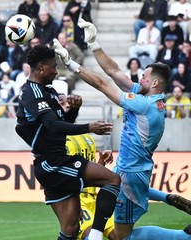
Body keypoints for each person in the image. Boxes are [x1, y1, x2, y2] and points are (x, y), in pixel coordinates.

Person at [54, 19, 191, 240]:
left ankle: (184, 237)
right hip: (128, 169)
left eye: (144, 77)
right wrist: (94, 44)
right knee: (110, 198)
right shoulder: (148, 96)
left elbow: (103, 84)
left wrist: (70, 62)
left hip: (130, 173)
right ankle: (168, 203)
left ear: (154, 83)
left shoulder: (144, 104)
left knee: (122, 237)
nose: (139, 79)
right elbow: (115, 72)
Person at [15, 44, 121, 240]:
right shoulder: (32, 93)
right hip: (53, 163)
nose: (56, 71)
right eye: (53, 66)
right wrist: (89, 127)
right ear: (41, 67)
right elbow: (53, 126)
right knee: (113, 180)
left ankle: (94, 232)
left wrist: (73, 109)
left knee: (70, 228)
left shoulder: (48, 91)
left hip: (53, 162)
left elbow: (61, 125)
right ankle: (97, 234)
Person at [58, 93, 191, 240]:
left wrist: (100, 163)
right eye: (62, 103)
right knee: (90, 234)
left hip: (96, 196)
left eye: (68, 101)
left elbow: (85, 170)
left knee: (121, 236)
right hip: (77, 198)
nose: (68, 104)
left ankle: (183, 236)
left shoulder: (87, 137)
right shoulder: (56, 140)